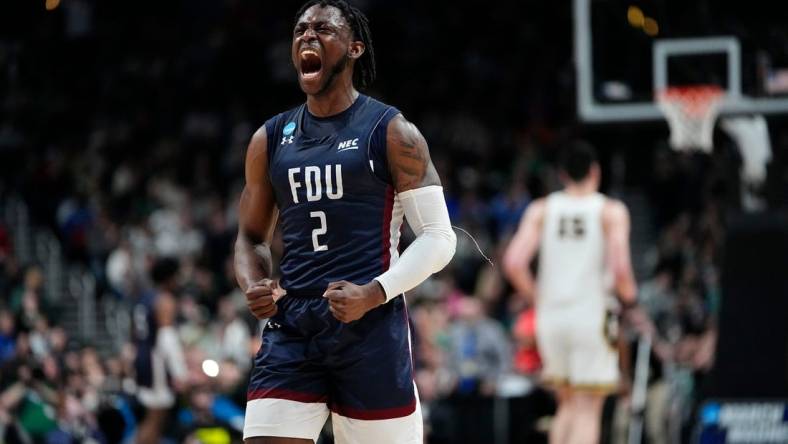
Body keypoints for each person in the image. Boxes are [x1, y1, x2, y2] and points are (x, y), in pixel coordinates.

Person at [233, 1, 456, 443]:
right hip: (293, 323)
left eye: (322, 29)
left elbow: (439, 238)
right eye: (300, 30)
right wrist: (253, 284)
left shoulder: (391, 131)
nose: (307, 37)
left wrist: (375, 292)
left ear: (355, 48)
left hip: (369, 325)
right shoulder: (271, 138)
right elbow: (251, 236)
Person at [503, 142, 649, 444]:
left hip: (552, 318)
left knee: (566, 404)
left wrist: (537, 299)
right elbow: (621, 270)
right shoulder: (610, 211)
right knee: (587, 409)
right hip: (592, 316)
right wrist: (632, 302)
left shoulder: (542, 209)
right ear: (595, 171)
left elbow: (514, 262)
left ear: (562, 175)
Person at [132, 257, 190, 443]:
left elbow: (135, 334)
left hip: (142, 356)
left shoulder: (144, 298)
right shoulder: (164, 300)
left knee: (155, 418)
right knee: (155, 418)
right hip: (155, 360)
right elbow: (167, 338)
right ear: (169, 278)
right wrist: (180, 372)